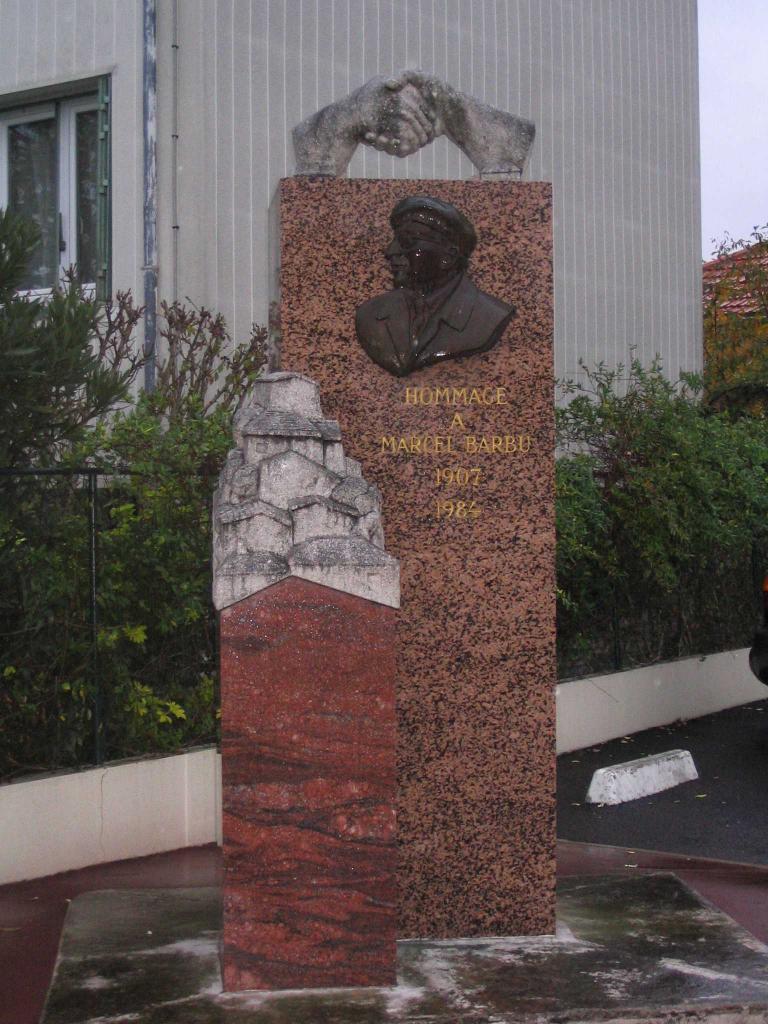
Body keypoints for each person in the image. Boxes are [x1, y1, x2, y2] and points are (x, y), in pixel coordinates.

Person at [355, 196, 514, 377]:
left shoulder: (489, 316)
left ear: (448, 256)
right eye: (395, 241)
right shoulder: (370, 314)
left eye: (408, 242)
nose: (390, 251)